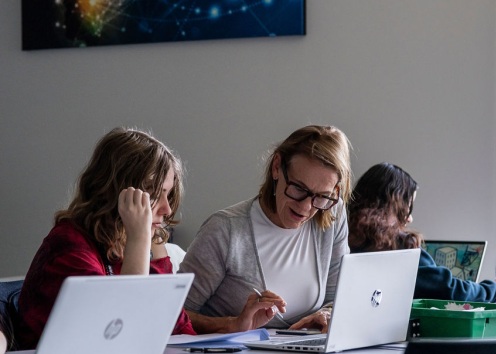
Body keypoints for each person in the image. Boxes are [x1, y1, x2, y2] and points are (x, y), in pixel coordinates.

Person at [15, 127, 195, 350]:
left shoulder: (125, 243)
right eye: (155, 193)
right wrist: (139, 239)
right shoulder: (68, 248)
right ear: (118, 193)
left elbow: (180, 331)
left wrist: (153, 248)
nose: (167, 209)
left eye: (168, 194)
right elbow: (120, 334)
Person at [179, 125, 352, 334]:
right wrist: (233, 324)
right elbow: (174, 314)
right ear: (277, 167)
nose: (306, 207)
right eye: (298, 188)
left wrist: (327, 314)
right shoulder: (225, 230)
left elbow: (339, 296)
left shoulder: (332, 216)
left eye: (322, 196)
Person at [348, 162, 496, 302]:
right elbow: (450, 291)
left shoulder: (343, 238)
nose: (409, 218)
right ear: (390, 206)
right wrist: (495, 289)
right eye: (407, 207)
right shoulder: (400, 248)